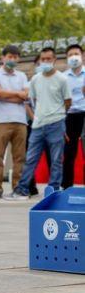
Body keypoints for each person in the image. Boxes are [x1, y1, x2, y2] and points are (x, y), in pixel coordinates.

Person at [5, 47, 71, 200]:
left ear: (55, 60)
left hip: (56, 123)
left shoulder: (62, 79)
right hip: (37, 125)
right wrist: (37, 115)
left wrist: (59, 115)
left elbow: (68, 102)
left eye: (49, 59)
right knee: (30, 159)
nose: (46, 62)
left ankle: (53, 191)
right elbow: (32, 100)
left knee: (56, 160)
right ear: (40, 61)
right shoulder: (35, 79)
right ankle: (22, 190)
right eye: (43, 59)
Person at [0, 45, 29, 199]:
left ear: (18, 59)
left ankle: (17, 187)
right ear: (2, 58)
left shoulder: (22, 76)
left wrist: (9, 95)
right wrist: (17, 94)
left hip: (20, 121)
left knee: (20, 157)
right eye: (9, 56)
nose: (12, 59)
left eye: (15, 57)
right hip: (0, 121)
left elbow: (26, 96)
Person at [62, 44, 85, 189]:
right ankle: (67, 186)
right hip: (69, 116)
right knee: (69, 153)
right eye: (70, 55)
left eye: (76, 54)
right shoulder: (62, 77)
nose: (73, 57)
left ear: (82, 56)